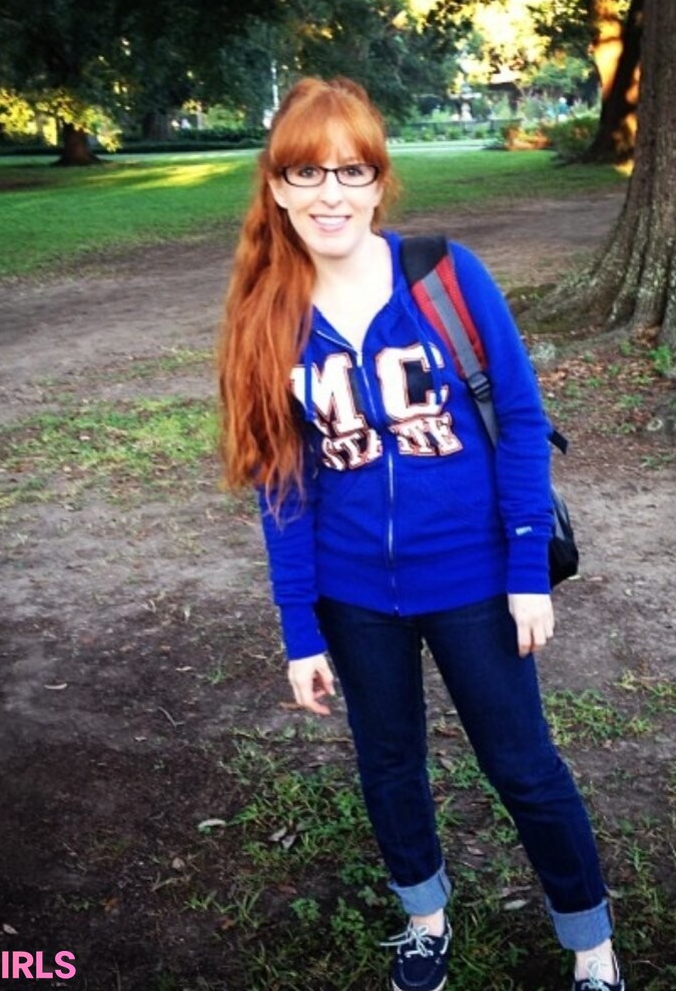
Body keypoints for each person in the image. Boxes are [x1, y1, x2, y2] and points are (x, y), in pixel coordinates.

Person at [216, 76, 624, 991]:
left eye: (350, 171)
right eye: (307, 172)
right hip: (354, 594)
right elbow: (281, 484)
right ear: (277, 186)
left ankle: (591, 944)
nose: (330, 193)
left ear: (378, 181)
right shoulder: (267, 314)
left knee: (523, 766)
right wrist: (300, 628)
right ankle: (425, 919)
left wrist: (527, 569)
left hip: (476, 580)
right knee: (390, 762)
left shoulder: (445, 275)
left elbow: (522, 421)